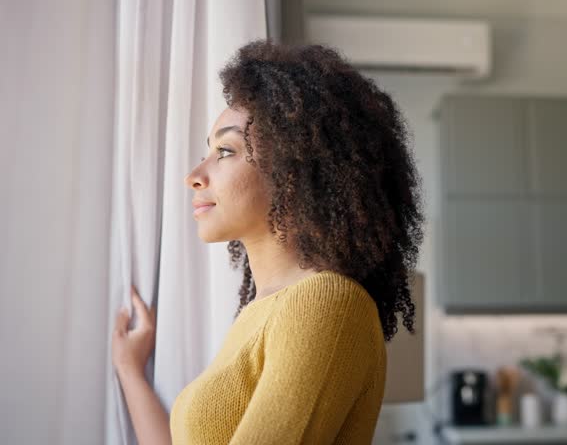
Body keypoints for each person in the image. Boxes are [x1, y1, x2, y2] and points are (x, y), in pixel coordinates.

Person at [111, 40, 424, 444]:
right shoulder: (265, 311)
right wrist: (131, 371)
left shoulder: (327, 303)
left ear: (294, 169)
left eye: (225, 151)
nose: (194, 175)